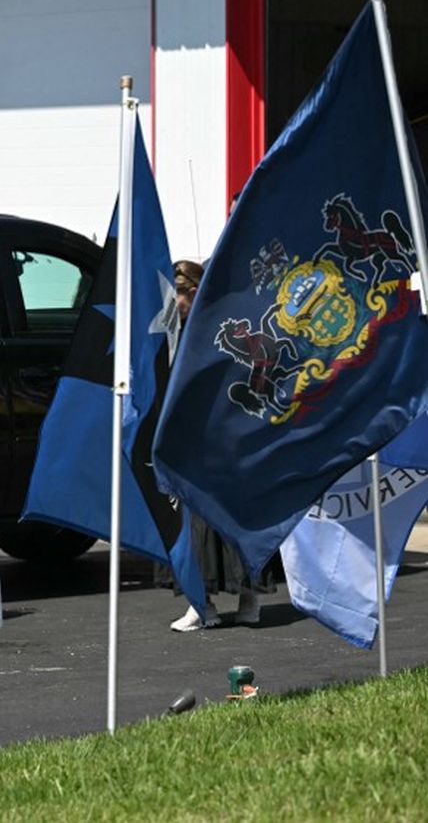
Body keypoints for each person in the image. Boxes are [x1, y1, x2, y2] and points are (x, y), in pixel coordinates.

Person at [164, 259, 279, 632]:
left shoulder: (218, 326)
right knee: (193, 525)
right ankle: (202, 603)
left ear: (193, 292)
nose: (172, 303)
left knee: (234, 520)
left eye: (177, 295)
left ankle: (251, 597)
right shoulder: (173, 331)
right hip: (192, 438)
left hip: (227, 437)